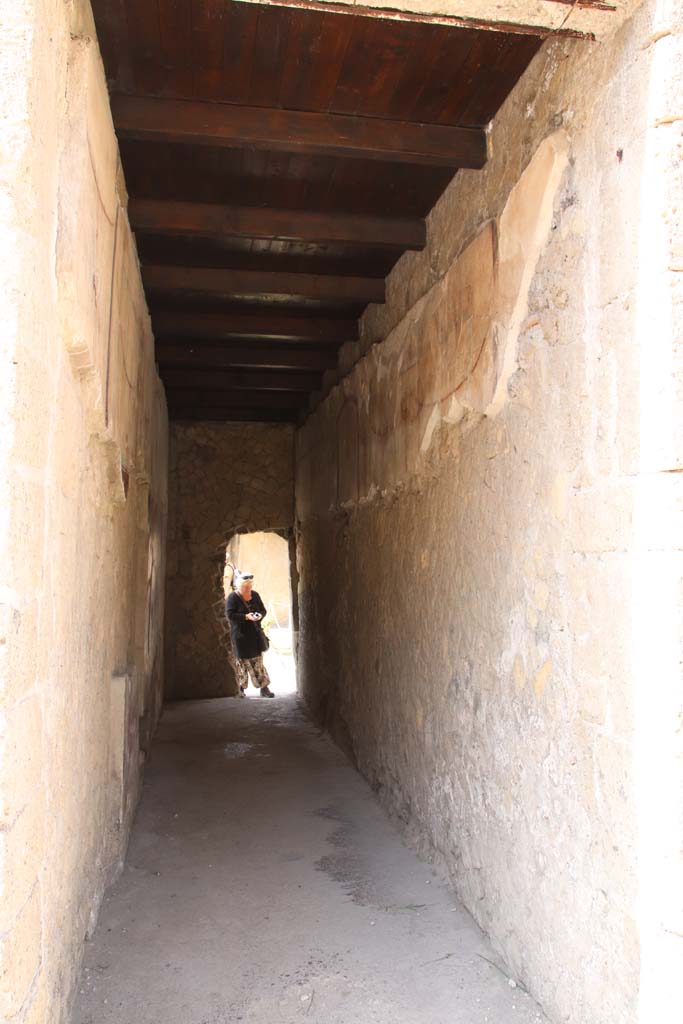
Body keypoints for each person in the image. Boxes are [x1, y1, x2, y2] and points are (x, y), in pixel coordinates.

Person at [225, 572, 275, 698]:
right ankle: (240, 688)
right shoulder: (233, 597)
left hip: (254, 635)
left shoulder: (255, 595)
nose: (248, 589)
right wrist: (245, 617)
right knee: (241, 663)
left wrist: (259, 616)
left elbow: (263, 610)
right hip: (240, 636)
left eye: (250, 586)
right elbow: (230, 615)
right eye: (245, 587)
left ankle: (264, 687)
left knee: (258, 662)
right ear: (239, 586)